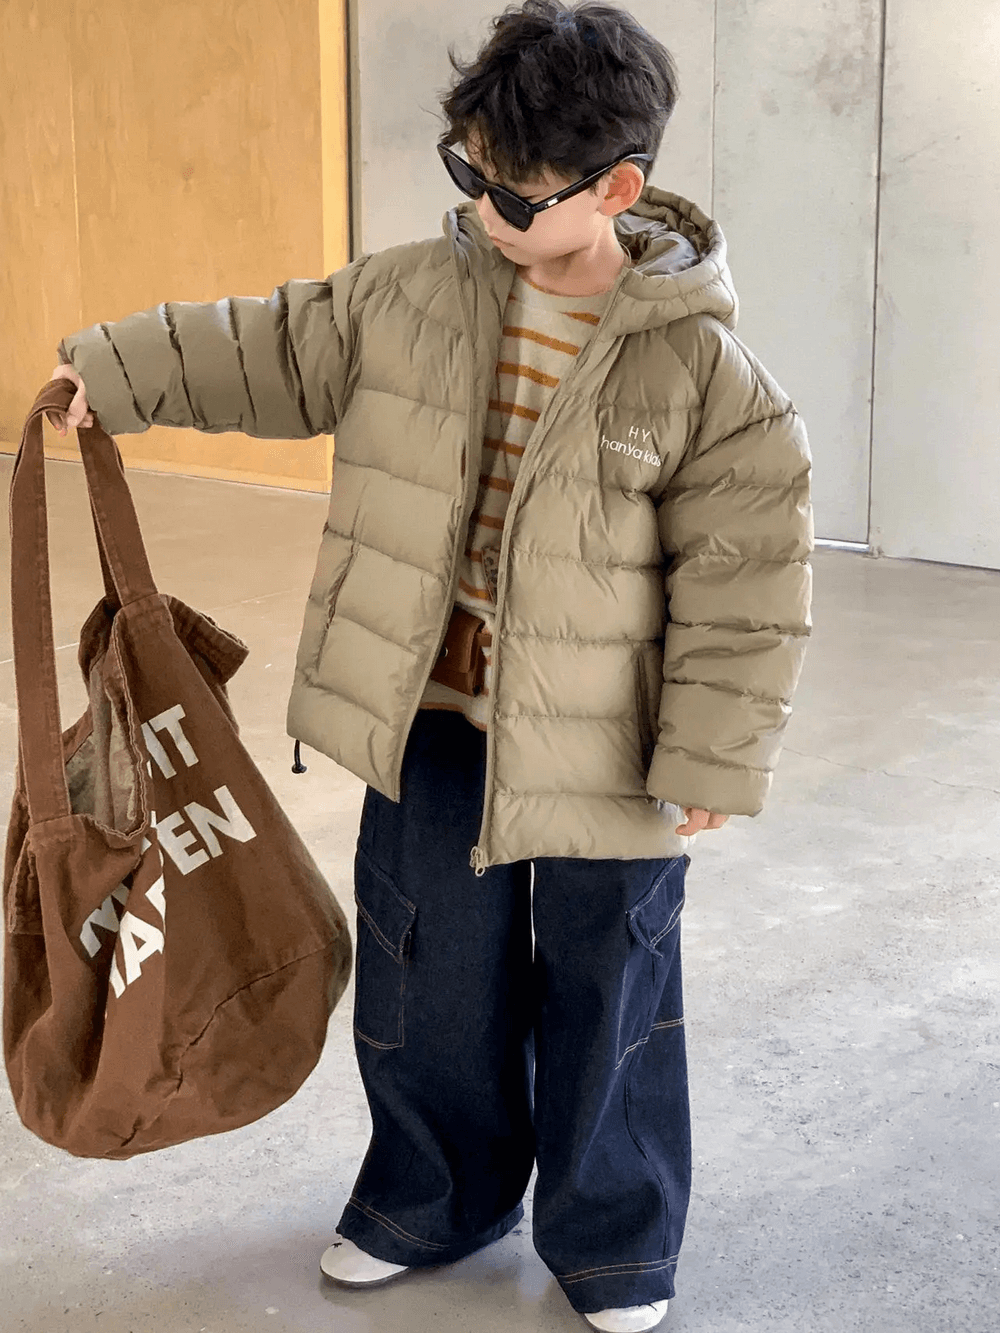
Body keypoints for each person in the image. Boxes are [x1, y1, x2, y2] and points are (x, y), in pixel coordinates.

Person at [47, 3, 813, 1328]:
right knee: (426, 975)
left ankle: (614, 1241)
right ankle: (430, 1198)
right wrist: (111, 371)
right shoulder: (407, 296)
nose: (476, 206)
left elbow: (747, 587)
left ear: (615, 189)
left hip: (612, 746)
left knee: (612, 987)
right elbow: (269, 344)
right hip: (434, 713)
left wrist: (710, 757)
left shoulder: (705, 375)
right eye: (465, 172)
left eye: (507, 192)